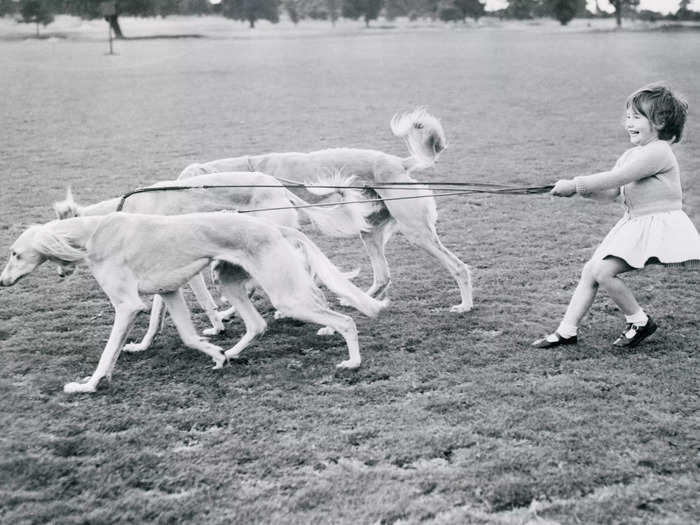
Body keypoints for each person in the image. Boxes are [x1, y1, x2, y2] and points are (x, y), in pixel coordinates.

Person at [532, 82, 700, 349]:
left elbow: (618, 177)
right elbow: (613, 192)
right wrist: (577, 192)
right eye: (628, 117)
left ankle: (639, 321)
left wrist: (576, 184)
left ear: (660, 121)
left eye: (636, 117)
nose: (628, 123)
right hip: (634, 221)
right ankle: (566, 331)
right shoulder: (633, 154)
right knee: (591, 271)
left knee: (604, 272)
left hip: (657, 225)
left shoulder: (658, 152)